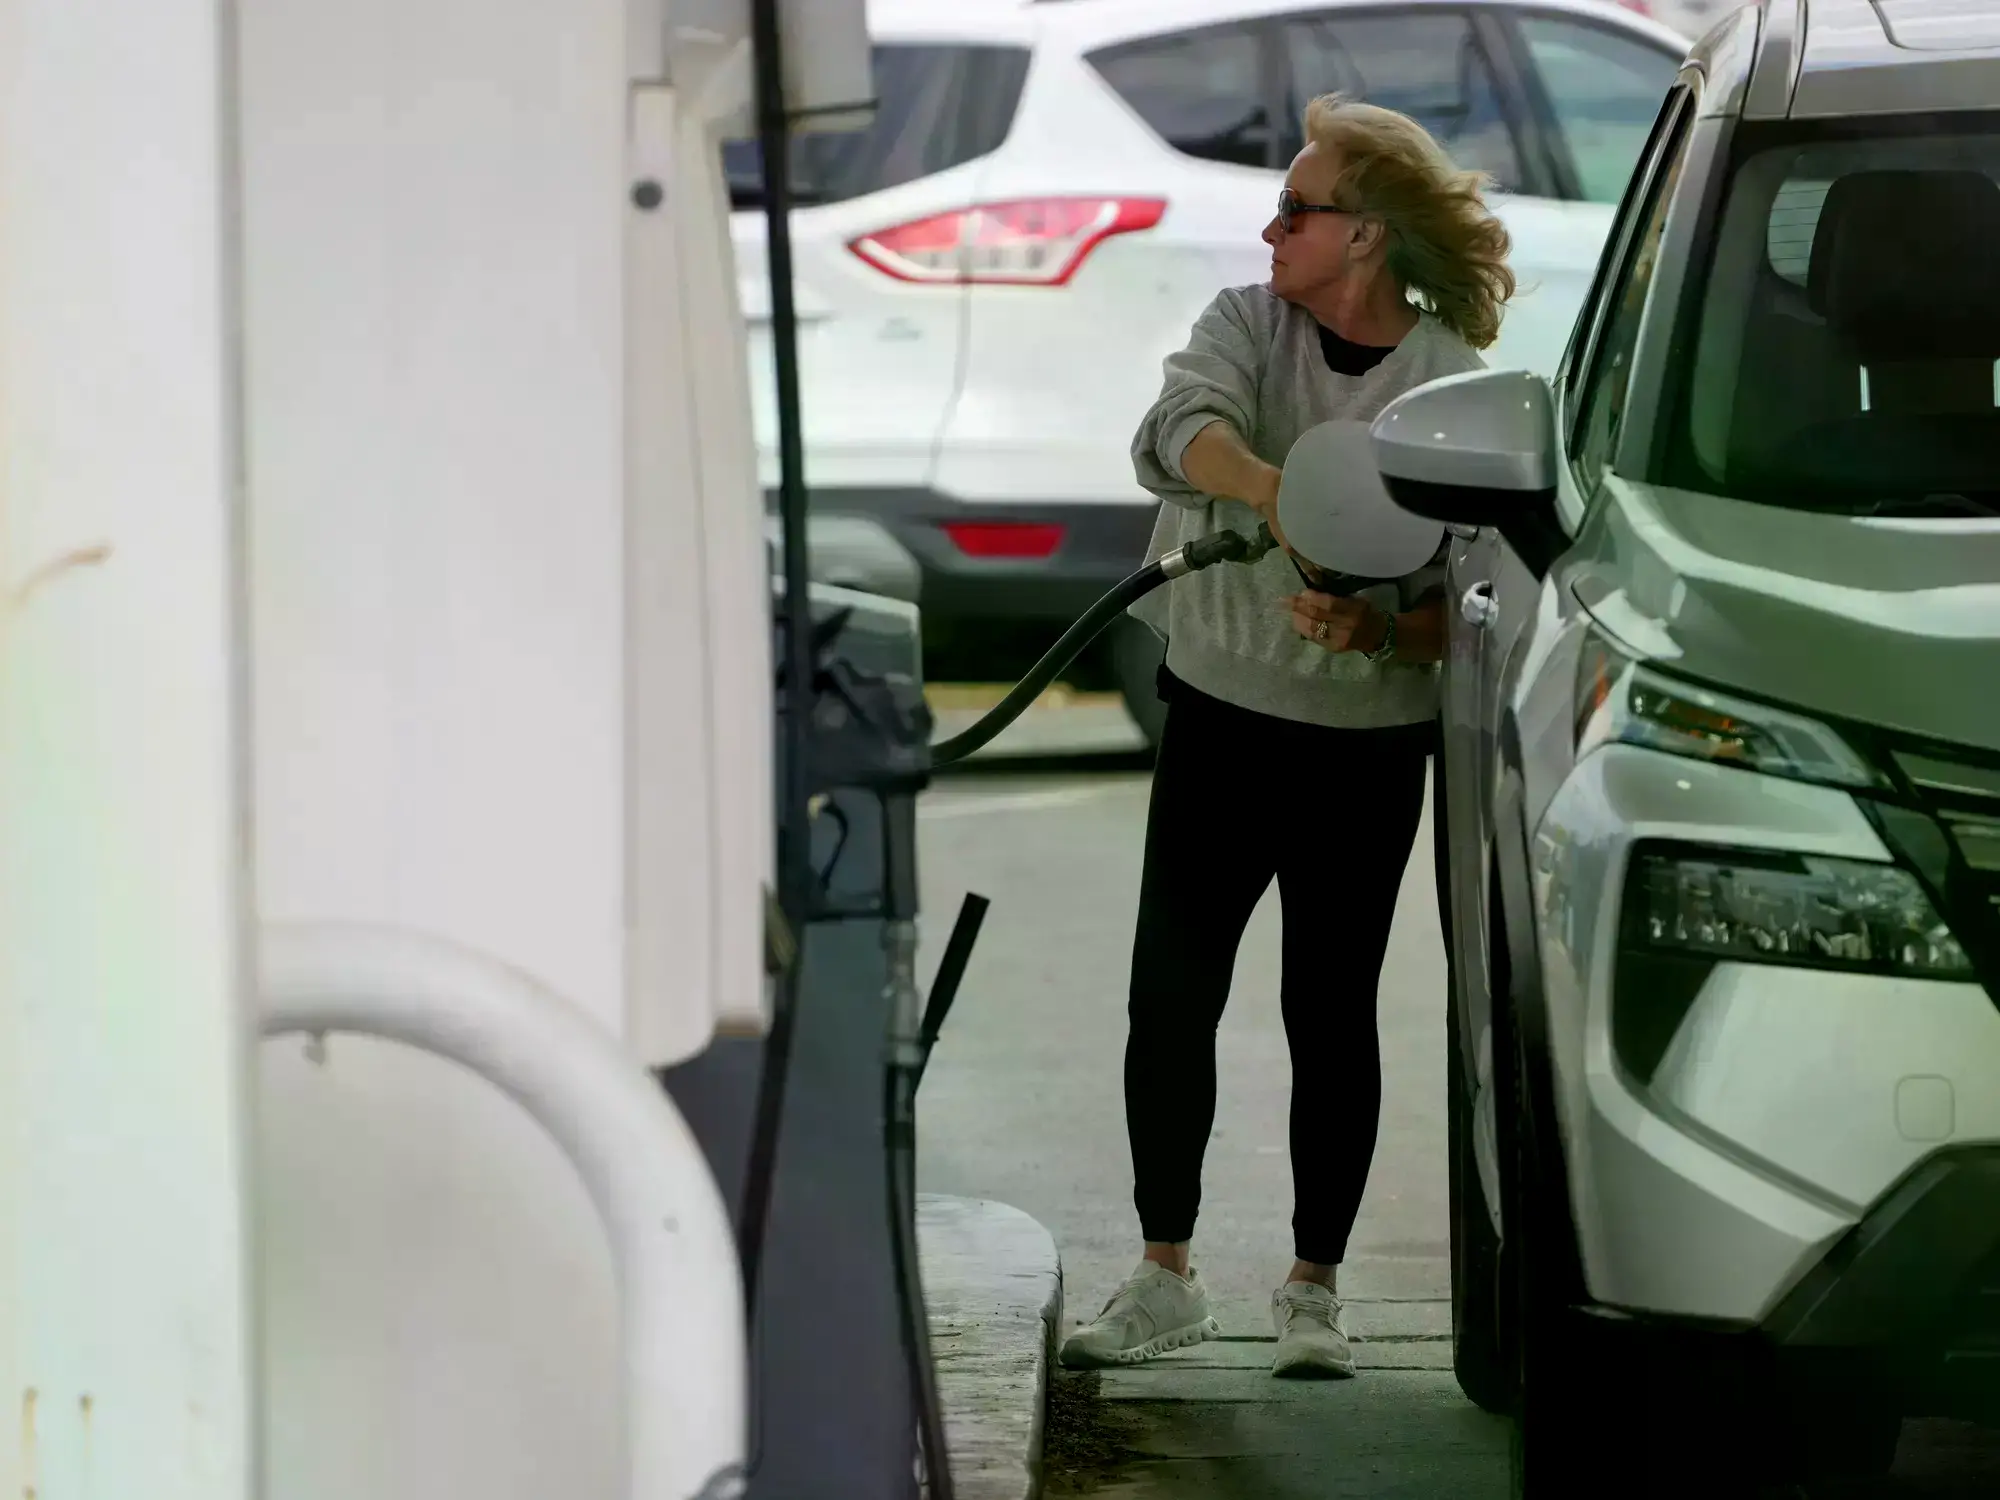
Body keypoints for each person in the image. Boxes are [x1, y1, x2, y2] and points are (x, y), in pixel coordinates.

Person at [1059, 94, 1514, 1379]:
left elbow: (1474, 603)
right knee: (1172, 995)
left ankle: (1313, 1290)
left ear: (1363, 236)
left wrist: (1376, 636)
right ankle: (1164, 1277)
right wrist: (1286, 493)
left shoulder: (1448, 390)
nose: (1270, 229)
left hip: (1366, 743)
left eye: (1296, 209)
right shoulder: (1244, 327)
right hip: (1217, 706)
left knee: (1332, 1007)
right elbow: (1172, 433)